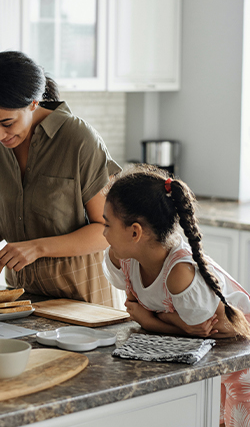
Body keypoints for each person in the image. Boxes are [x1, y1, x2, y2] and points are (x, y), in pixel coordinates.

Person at [0, 51, 122, 306]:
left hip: (82, 300)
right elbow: (10, 208)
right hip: (20, 299)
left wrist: (36, 248)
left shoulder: (78, 139)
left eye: (7, 123)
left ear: (34, 103)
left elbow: (106, 231)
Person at [101, 164, 250, 426]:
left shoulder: (180, 273)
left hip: (238, 351)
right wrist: (173, 320)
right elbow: (189, 329)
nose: (102, 233)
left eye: (107, 224)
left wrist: (150, 320)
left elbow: (206, 331)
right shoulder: (123, 258)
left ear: (135, 232)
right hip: (209, 353)